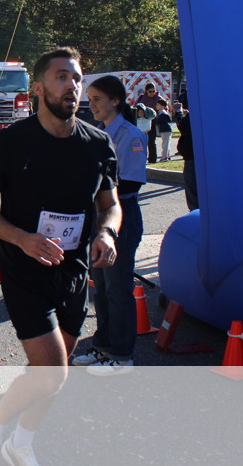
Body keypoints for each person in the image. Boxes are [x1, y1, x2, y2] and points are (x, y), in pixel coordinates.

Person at [0, 47, 121, 466]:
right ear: (37, 88)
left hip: (74, 271)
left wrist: (106, 232)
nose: (72, 86)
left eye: (77, 78)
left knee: (51, 374)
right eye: (61, 77)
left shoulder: (98, 144)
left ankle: (21, 443)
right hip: (24, 269)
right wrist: (21, 239)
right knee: (53, 369)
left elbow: (111, 204)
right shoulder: (12, 142)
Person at [73, 75, 146, 375]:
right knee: (101, 288)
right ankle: (103, 346)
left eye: (97, 99)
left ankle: (121, 355)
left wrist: (89, 188)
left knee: (117, 288)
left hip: (120, 216)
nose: (92, 105)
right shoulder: (98, 132)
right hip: (97, 215)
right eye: (89, 100)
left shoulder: (129, 135)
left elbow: (132, 182)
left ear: (116, 100)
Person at [173, 100, 198, 211]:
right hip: (204, 155)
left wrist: (179, 112)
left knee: (193, 192)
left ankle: (195, 215)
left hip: (192, 156)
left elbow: (185, 127)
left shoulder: (197, 111)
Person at [136, 82, 161, 163]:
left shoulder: (158, 98)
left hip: (152, 122)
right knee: (140, 142)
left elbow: (163, 107)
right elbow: (136, 107)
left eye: (154, 91)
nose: (152, 93)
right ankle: (140, 158)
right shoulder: (142, 97)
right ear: (146, 91)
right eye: (150, 91)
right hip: (142, 122)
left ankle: (152, 159)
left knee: (151, 142)